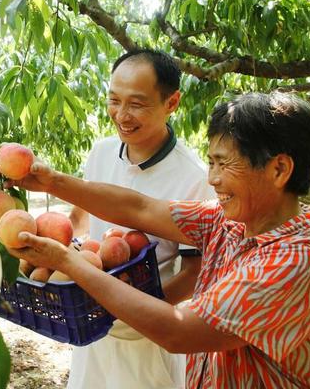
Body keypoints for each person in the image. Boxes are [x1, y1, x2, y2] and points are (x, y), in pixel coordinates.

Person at [3, 92, 310, 388]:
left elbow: (178, 332)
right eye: (211, 163)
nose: (212, 179)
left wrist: (68, 263)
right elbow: (139, 208)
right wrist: (51, 182)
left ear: (278, 170)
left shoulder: (300, 262)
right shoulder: (229, 223)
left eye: (222, 163)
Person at [67, 48, 215, 388]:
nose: (121, 114)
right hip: (93, 326)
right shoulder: (101, 153)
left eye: (136, 103)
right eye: (114, 100)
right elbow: (80, 217)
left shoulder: (194, 178)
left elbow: (194, 272)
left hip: (146, 339)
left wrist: (138, 312)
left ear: (172, 103)